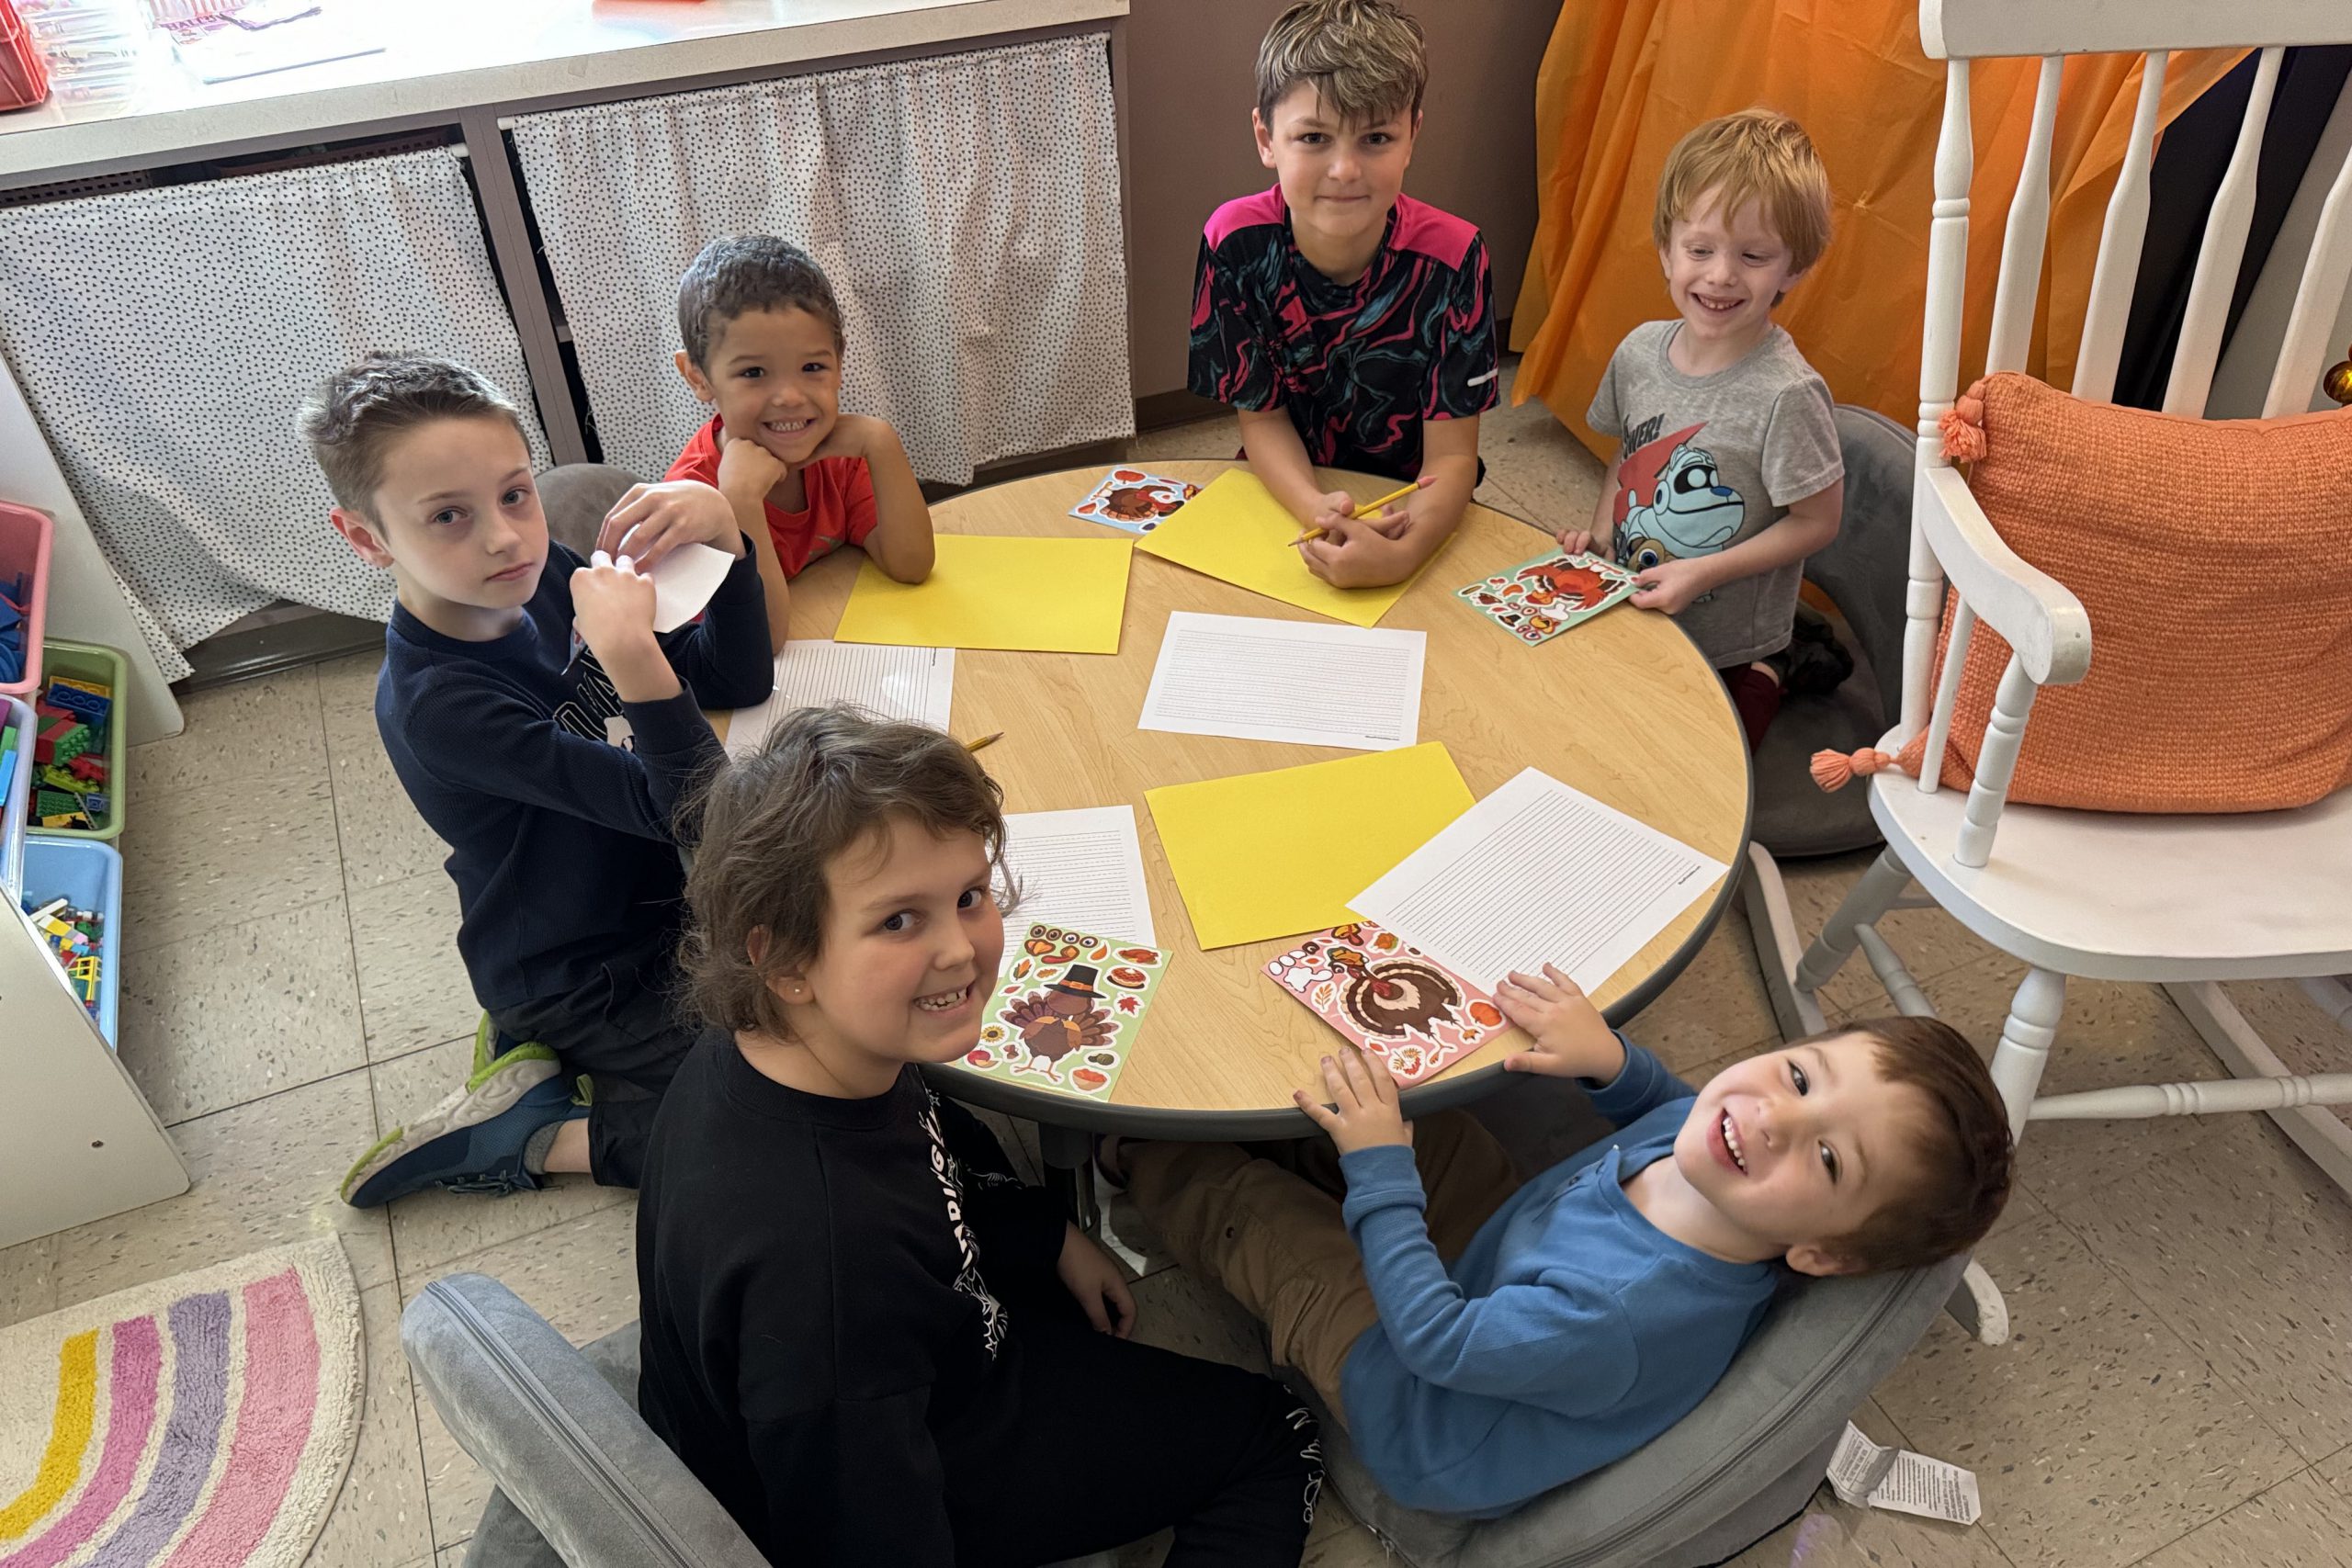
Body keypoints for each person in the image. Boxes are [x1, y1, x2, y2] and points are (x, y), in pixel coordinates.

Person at [636, 707, 1322, 1565]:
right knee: (1275, 1433)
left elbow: (928, 1156)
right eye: (899, 920)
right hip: (927, 1451)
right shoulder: (828, 1270)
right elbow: (870, 1533)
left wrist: (1044, 1236)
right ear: (782, 960)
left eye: (968, 896)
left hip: (920, 1368)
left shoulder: (792, 1040)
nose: (962, 948)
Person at [1108, 967, 2011, 1517]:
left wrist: (1380, 1175)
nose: (1771, 1116)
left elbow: (1439, 1343)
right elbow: (1667, 1109)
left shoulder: (1621, 1317)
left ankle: (1145, 1156)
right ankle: (1303, 1134)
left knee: (1263, 1221)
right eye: (1800, 1074)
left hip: (1423, 1401)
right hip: (1509, 1268)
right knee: (1434, 1121)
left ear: (1820, 1254)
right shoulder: (1721, 1150)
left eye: (1825, 1156)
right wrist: (1610, 1059)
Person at [303, 354, 774, 1206]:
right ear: (367, 537)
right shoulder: (436, 703)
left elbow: (735, 681)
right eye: (448, 515)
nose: (503, 536)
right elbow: (700, 811)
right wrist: (632, 657)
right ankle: (531, 1134)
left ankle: (540, 1053)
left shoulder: (544, 568)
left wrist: (731, 545)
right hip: (589, 969)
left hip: (658, 895)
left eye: (514, 493)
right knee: (769, 1129)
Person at [1559, 108, 1849, 752]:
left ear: (1793, 269)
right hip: (1641, 603)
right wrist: (1601, 536)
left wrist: (1706, 573)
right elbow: (1629, 458)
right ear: (1666, 249)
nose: (1720, 275)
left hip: (1732, 639)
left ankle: (1787, 659)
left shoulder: (1790, 394)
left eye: (1752, 255)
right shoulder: (1638, 352)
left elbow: (1817, 522)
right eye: (1700, 250)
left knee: (1706, 765)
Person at [1190, 0, 1497, 590]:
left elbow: (1453, 458)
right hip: (1286, 491)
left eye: (1377, 137)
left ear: (1412, 137)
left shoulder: (1456, 257)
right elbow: (1262, 422)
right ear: (1266, 138)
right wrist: (1314, 507)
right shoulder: (1233, 243)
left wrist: (1406, 553)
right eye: (1313, 138)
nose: (1345, 169)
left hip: (1417, 508)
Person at [666, 235, 935, 650]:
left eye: (812, 367)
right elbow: (760, 643)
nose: (790, 396)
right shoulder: (693, 499)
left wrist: (882, 443)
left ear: (840, 363)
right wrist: (739, 502)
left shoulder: (839, 457)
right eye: (754, 373)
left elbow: (913, 565)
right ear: (698, 377)